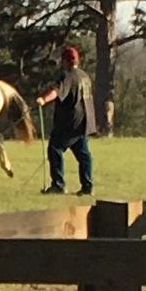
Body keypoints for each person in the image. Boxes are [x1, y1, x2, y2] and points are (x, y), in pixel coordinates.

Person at [35, 38, 97, 196]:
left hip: (70, 122)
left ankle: (58, 185)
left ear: (65, 61)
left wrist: (43, 99)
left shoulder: (67, 75)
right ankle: (87, 187)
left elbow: (56, 91)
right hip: (86, 121)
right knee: (84, 155)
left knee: (54, 148)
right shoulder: (85, 76)